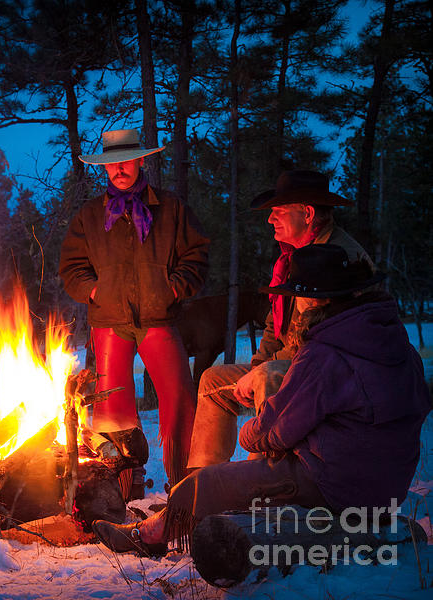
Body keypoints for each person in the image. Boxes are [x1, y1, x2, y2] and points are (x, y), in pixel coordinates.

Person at [92, 244, 430, 555]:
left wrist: (248, 433)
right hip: (388, 488)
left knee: (207, 482)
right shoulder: (396, 344)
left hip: (337, 486)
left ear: (313, 301)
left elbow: (275, 431)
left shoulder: (324, 354)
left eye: (296, 298)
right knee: (242, 470)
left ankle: (146, 535)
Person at [188, 170, 373, 468]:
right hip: (299, 361)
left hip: (336, 371)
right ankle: (201, 484)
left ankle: (257, 481)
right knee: (213, 381)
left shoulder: (333, 259)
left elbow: (310, 343)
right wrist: (258, 363)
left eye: (278, 212)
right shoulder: (293, 256)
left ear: (308, 214)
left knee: (268, 377)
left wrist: (261, 371)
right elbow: (277, 324)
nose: (270, 219)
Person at [59, 128, 210, 487]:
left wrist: (172, 288)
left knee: (179, 400)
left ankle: (185, 485)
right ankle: (123, 489)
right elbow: (71, 267)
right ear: (104, 168)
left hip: (159, 316)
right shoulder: (91, 215)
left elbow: (197, 257)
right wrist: (95, 291)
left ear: (141, 160)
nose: (119, 169)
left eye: (125, 161)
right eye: (111, 164)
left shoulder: (171, 208)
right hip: (109, 319)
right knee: (113, 410)